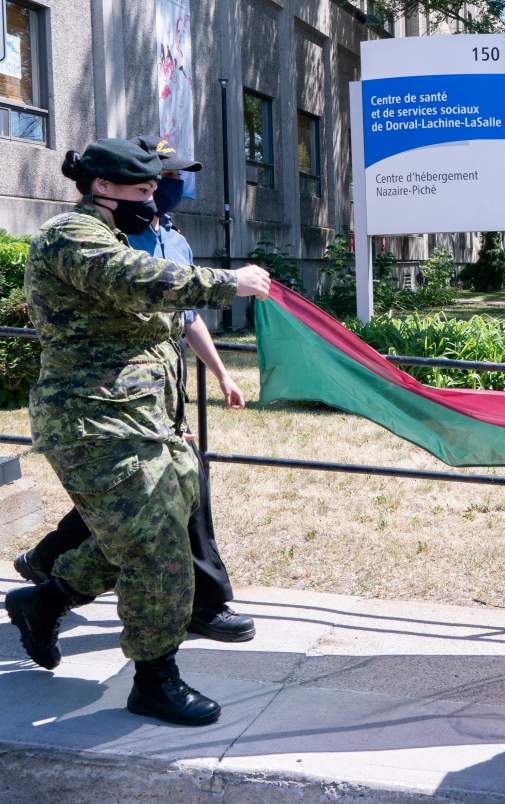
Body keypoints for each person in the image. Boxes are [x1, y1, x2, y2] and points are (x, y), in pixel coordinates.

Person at [3, 138, 270, 726]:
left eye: (155, 190)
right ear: (104, 188)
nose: (154, 200)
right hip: (91, 421)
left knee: (139, 532)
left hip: (142, 418)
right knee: (155, 546)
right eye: (144, 190)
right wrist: (229, 282)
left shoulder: (113, 233)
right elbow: (138, 281)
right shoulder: (71, 237)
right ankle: (155, 677)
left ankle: (44, 601)